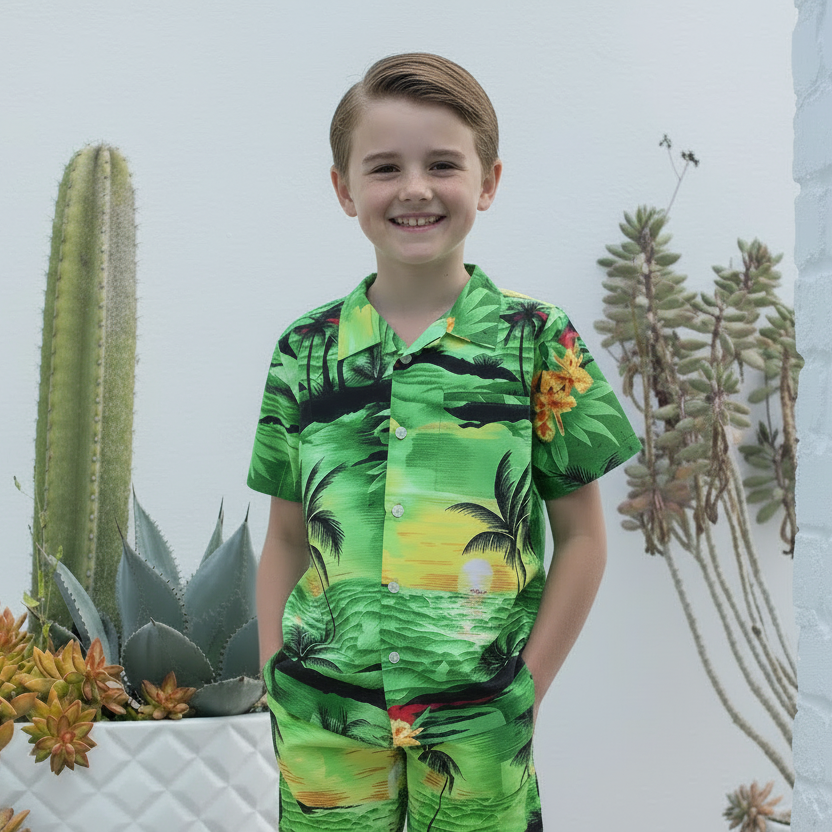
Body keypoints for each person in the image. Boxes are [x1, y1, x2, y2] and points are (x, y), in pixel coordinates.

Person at [248, 52, 641, 832]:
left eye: (443, 164)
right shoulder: (304, 350)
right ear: (344, 188)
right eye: (385, 167)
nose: (415, 188)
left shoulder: (539, 341)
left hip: (478, 726)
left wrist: (524, 689)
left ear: (488, 182)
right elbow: (287, 537)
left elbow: (584, 539)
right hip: (324, 720)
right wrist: (274, 678)